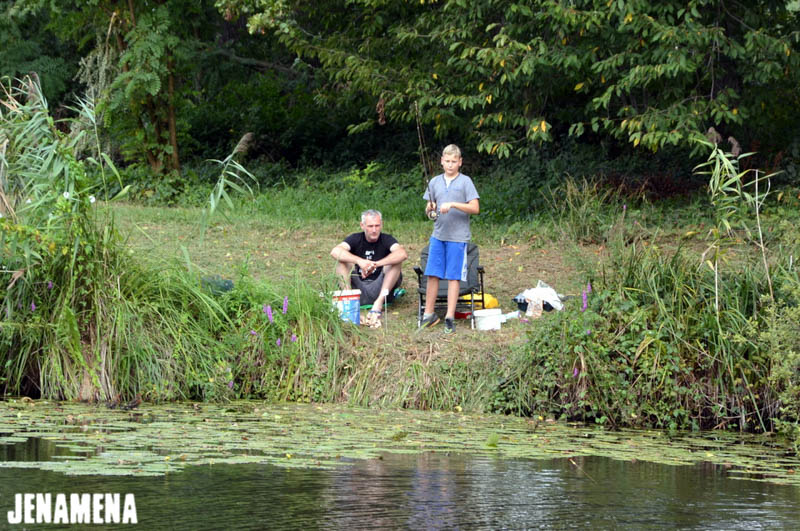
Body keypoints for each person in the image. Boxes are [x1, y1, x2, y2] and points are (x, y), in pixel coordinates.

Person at [419, 144, 480, 334]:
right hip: (438, 236)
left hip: (458, 238)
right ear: (442, 161)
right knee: (432, 273)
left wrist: (453, 204)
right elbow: (429, 208)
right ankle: (428, 314)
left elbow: (475, 208)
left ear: (460, 162)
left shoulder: (465, 182)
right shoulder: (435, 182)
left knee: (454, 276)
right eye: (447, 161)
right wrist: (430, 208)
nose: (450, 165)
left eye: (454, 161)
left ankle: (449, 317)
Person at [331, 209, 408, 327]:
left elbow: (402, 254)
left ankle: (378, 304)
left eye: (377, 226)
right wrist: (360, 261)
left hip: (381, 287)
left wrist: (375, 264)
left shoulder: (387, 239)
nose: (374, 230)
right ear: (362, 226)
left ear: (381, 225)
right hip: (357, 288)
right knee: (342, 261)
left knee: (396, 261)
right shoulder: (355, 238)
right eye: (370, 226)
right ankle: (350, 303)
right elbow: (335, 251)